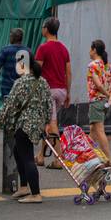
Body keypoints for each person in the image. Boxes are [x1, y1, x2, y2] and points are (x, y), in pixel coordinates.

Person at [0, 57, 55, 203]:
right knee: (18, 153)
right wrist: (47, 122)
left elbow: (9, 104)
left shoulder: (20, 82)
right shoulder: (43, 81)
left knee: (26, 157)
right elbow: (49, 104)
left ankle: (35, 194)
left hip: (24, 124)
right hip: (37, 124)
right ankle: (24, 187)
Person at [33, 17, 70, 167]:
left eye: (43, 27)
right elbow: (68, 72)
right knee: (47, 123)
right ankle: (41, 155)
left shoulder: (43, 48)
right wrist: (68, 92)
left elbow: (37, 70)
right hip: (61, 90)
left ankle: (59, 159)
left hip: (48, 91)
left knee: (52, 124)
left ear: (46, 29)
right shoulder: (63, 48)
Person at [86, 40, 111, 164]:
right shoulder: (108, 66)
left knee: (99, 130)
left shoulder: (92, 66)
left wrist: (106, 94)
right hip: (105, 103)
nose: (89, 51)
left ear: (94, 50)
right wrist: (110, 97)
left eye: (90, 48)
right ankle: (86, 156)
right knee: (93, 130)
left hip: (96, 101)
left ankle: (108, 158)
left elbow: (98, 85)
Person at [0, 28, 30, 103]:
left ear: (13, 38)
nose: (9, 38)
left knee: (8, 110)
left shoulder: (5, 50)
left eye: (10, 36)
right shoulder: (27, 51)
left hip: (7, 88)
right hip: (22, 88)